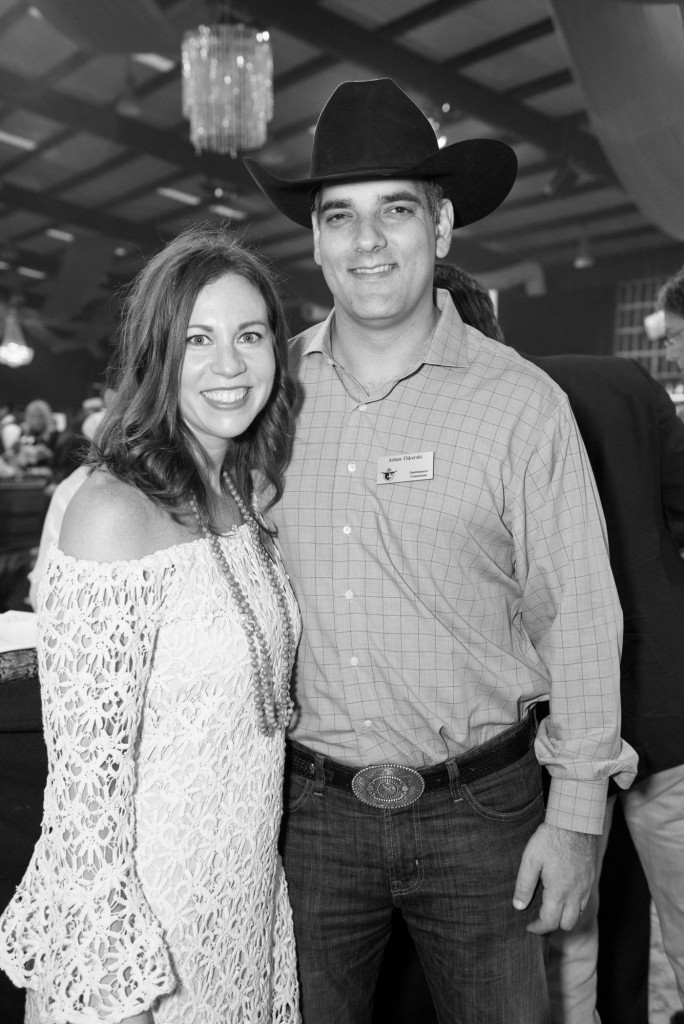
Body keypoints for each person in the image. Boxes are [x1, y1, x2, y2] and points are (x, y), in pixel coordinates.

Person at [244, 77, 637, 1024]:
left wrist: (577, 819)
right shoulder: (266, 391)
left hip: (484, 812)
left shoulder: (523, 404)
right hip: (308, 817)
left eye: (396, 211)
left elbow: (581, 618)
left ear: (443, 225)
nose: (367, 242)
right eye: (340, 216)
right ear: (316, 241)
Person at [0, 225, 302, 1024]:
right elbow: (84, 799)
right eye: (198, 339)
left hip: (238, 908)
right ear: (156, 355)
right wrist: (116, 992)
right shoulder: (111, 512)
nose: (230, 364)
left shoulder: (247, 494)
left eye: (249, 336)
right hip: (145, 932)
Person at [437, 262, 684, 1022]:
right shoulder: (622, 381)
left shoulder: (481, 420)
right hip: (666, 695)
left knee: (562, 935)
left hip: (555, 721)